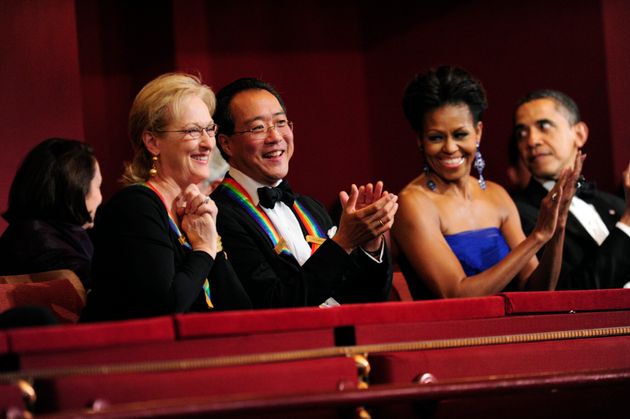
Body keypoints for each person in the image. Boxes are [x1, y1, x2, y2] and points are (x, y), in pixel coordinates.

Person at [393, 66, 581, 300]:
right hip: (455, 335)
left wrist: (557, 226)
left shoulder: (496, 195)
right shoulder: (413, 203)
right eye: (436, 137)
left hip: (516, 333)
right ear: (420, 140)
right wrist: (537, 237)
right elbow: (456, 294)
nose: (450, 148)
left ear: (478, 133)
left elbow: (538, 292)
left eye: (460, 134)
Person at [211, 77, 398, 308]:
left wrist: (369, 242)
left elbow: (365, 300)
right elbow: (273, 304)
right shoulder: (218, 214)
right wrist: (343, 242)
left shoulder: (310, 207)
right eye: (258, 127)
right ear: (227, 144)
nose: (275, 137)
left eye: (281, 123)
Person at [82, 73, 251, 322]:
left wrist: (211, 240)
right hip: (134, 357)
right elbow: (164, 310)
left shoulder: (196, 210)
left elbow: (243, 313)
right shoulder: (135, 207)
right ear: (152, 141)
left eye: (209, 129)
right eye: (193, 131)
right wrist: (203, 249)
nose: (208, 143)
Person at [512, 89, 630, 289]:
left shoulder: (615, 204)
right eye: (522, 133)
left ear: (579, 134)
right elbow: (574, 292)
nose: (531, 141)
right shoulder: (518, 214)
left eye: (544, 126)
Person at [0, 138, 102, 288]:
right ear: (77, 188)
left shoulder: (31, 233)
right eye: (98, 185)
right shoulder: (42, 244)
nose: (100, 197)